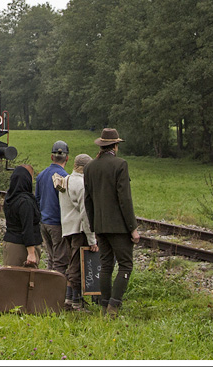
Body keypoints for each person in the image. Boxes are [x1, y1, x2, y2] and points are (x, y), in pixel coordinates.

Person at [83, 128, 139, 317]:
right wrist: (133, 228)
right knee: (125, 265)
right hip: (119, 226)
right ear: (115, 146)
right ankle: (114, 306)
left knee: (106, 265)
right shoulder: (120, 164)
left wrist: (93, 225)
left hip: (99, 225)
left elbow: (88, 200)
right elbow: (125, 199)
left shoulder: (90, 167)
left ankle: (104, 305)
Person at [54, 153, 97, 311]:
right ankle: (76, 302)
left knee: (72, 263)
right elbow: (85, 214)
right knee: (77, 266)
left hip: (67, 228)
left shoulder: (66, 180)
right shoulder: (82, 184)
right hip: (79, 230)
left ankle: (68, 298)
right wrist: (92, 240)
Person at [34, 140, 70, 274]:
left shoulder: (41, 175)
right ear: (67, 158)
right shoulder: (65, 177)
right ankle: (56, 291)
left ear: (51, 157)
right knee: (60, 260)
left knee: (51, 257)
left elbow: (37, 199)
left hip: (44, 222)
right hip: (57, 223)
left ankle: (47, 287)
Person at [1, 164, 41, 267]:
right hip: (21, 248)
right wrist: (31, 253)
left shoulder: (10, 199)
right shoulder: (25, 202)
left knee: (11, 278)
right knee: (23, 280)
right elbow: (28, 228)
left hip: (10, 243)